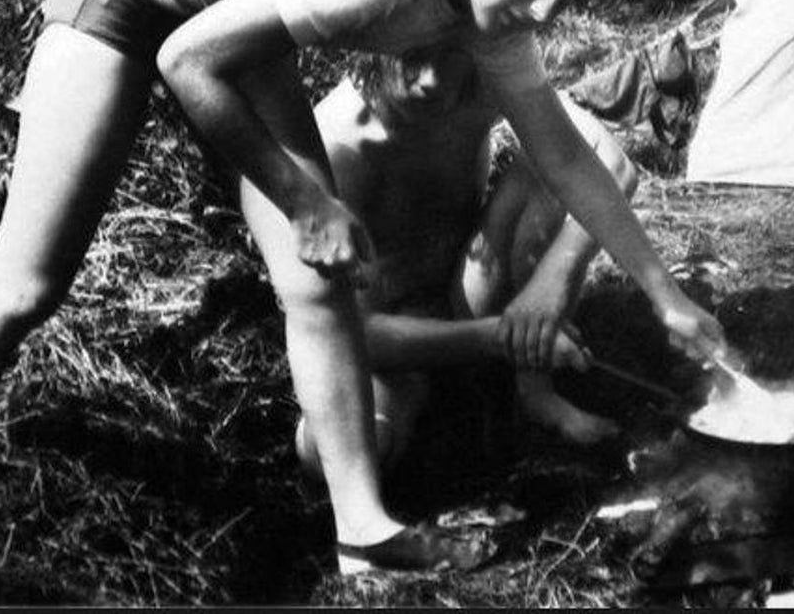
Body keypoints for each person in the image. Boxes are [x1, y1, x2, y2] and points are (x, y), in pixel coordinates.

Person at [0, 0, 730, 587]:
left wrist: (663, 294)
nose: (544, 9)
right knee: (27, 284)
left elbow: (570, 157)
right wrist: (306, 198)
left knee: (313, 280)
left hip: (230, 8)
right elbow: (188, 57)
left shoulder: (492, 17)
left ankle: (364, 532)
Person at [243, 45, 640, 486]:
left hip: (471, 289)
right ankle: (454, 399)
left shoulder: (478, 86)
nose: (432, 80)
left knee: (549, 164)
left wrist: (552, 282)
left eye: (447, 56)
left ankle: (535, 393)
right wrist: (494, 339)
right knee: (335, 451)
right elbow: (356, 335)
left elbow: (615, 164)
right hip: (396, 339)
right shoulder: (335, 147)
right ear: (370, 49)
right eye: (412, 59)